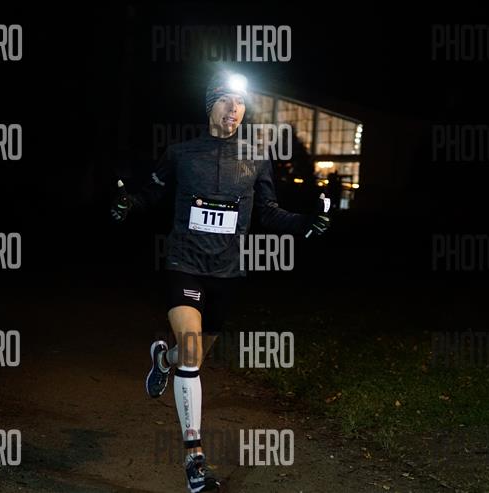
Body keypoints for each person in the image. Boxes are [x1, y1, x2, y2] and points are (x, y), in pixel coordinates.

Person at [111, 70, 330, 492]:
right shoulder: (181, 153)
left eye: (241, 102)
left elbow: (269, 212)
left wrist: (306, 223)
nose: (234, 108)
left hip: (226, 273)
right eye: (226, 99)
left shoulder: (257, 158)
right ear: (210, 103)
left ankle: (163, 361)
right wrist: (127, 204)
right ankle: (194, 459)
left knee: (191, 356)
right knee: (192, 354)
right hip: (185, 263)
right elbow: (150, 196)